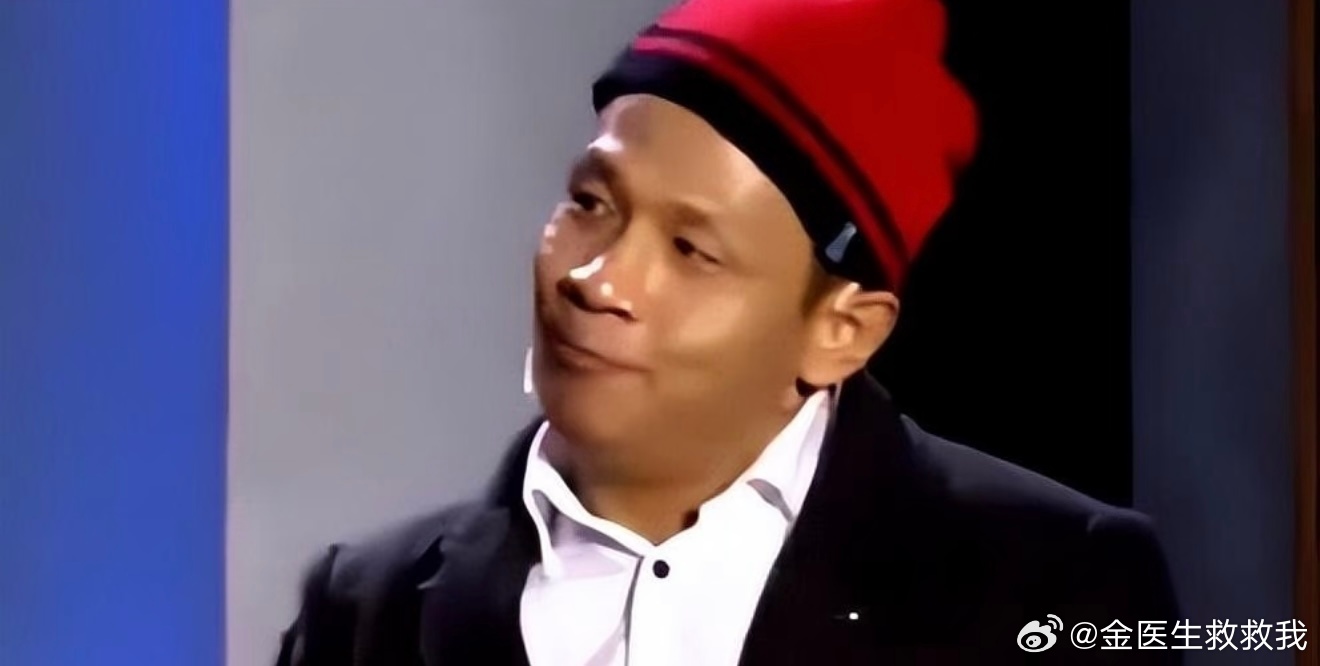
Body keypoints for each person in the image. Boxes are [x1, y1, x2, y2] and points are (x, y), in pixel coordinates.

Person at [275, 0, 1181, 663]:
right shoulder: (364, 610)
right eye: (591, 203)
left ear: (841, 331)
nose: (598, 281)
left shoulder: (1057, 583)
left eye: (691, 250)